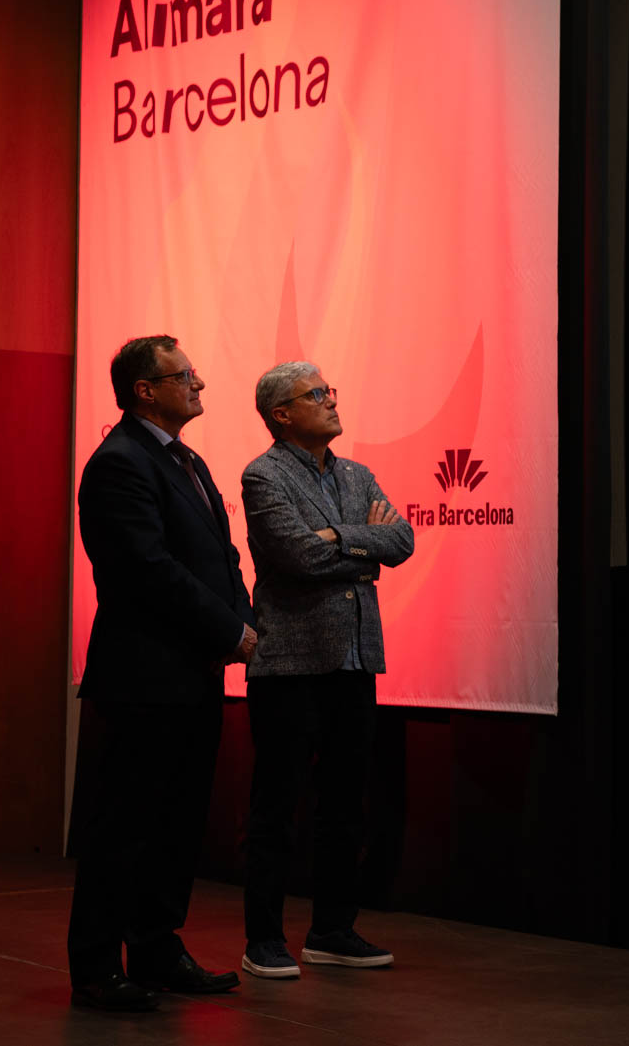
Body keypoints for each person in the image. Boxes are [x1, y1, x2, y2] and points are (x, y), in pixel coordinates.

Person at [68, 336, 254, 1011]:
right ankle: (96, 966)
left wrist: (242, 617)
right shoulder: (120, 462)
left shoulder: (187, 458)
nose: (198, 382)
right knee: (124, 825)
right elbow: (147, 570)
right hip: (144, 677)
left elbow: (221, 557)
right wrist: (231, 629)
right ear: (145, 389)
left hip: (195, 673)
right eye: (184, 375)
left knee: (176, 825)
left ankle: (154, 948)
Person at [237, 361, 413, 979]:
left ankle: (333, 930)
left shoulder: (358, 473)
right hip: (290, 664)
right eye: (317, 395)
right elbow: (296, 555)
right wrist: (362, 544)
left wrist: (338, 538)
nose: (332, 402)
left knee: (345, 805)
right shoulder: (264, 475)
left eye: (330, 391)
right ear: (282, 413)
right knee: (277, 805)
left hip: (354, 658)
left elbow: (404, 541)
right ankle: (264, 939)